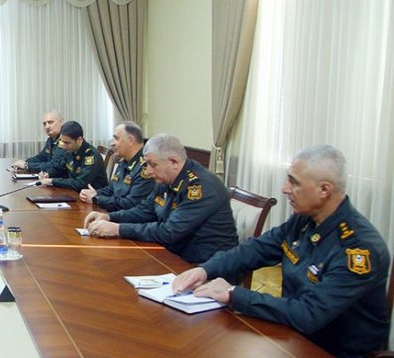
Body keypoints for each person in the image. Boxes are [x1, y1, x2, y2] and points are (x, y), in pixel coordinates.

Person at [172, 145, 390, 356]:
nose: (285, 188)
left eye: (294, 182)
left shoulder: (358, 249)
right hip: (291, 334)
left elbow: (308, 314)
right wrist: (205, 270)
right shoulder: (305, 219)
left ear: (324, 190)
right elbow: (256, 248)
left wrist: (233, 294)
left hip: (331, 350)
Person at [84, 133, 237, 263]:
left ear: (174, 162)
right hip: (174, 253)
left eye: (152, 164)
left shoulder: (200, 187)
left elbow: (169, 232)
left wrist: (118, 229)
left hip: (204, 265)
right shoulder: (165, 179)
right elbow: (143, 211)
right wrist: (110, 217)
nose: (148, 171)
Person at [78, 121, 154, 211]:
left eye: (116, 139)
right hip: (116, 213)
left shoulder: (146, 168)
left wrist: (97, 198)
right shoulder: (124, 161)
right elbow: (111, 189)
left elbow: (130, 204)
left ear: (131, 141)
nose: (112, 143)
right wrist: (93, 193)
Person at [38, 120, 108, 191]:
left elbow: (80, 184)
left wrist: (52, 181)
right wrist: (48, 174)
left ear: (79, 140)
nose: (63, 146)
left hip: (91, 195)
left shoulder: (91, 156)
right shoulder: (70, 150)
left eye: (67, 143)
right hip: (74, 192)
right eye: (62, 141)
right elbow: (60, 168)